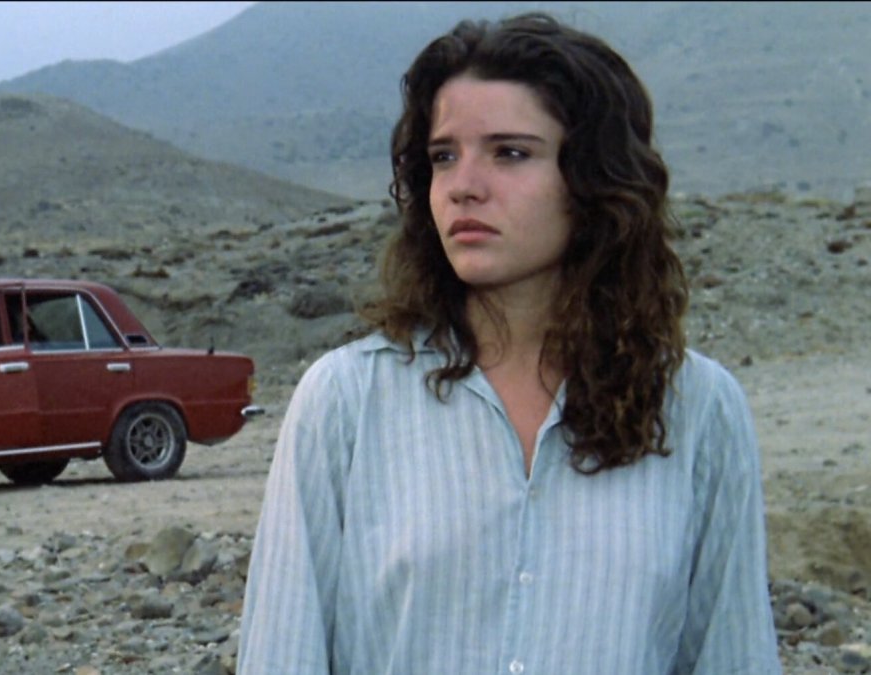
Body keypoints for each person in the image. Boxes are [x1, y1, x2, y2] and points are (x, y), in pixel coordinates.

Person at [238, 12, 780, 675]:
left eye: (510, 153)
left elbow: (732, 653)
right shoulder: (347, 399)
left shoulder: (698, 408)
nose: (464, 185)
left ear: (593, 180)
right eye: (444, 156)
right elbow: (282, 653)